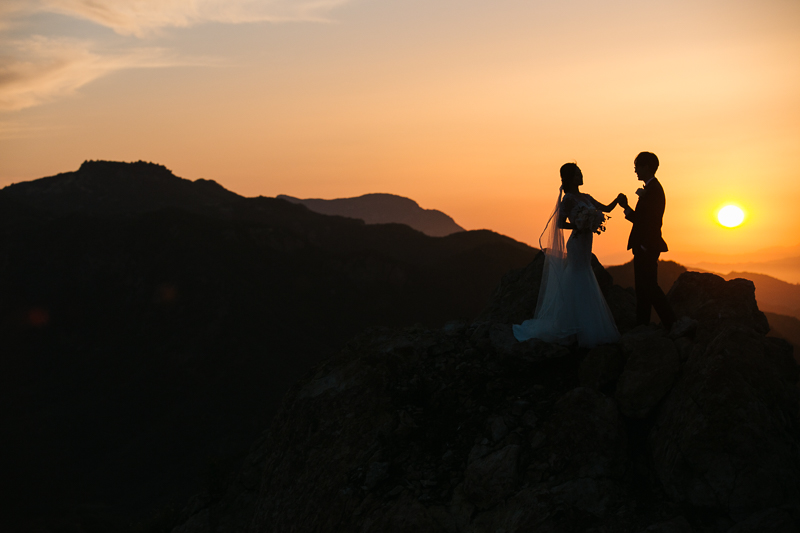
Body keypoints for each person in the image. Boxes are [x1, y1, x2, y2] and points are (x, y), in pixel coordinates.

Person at [513, 163, 622, 347]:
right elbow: (560, 224)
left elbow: (606, 209)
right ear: (572, 178)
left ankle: (582, 323)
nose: (582, 175)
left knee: (584, 272)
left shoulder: (586, 197)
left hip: (586, 243)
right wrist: (579, 225)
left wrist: (617, 200)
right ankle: (574, 326)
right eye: (579, 173)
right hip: (577, 243)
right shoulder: (568, 200)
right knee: (578, 275)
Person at [618, 152, 676, 329]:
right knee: (643, 289)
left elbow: (649, 220)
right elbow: (642, 218)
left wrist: (643, 245)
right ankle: (642, 325)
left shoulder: (654, 190)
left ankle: (671, 323)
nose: (635, 170)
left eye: (638, 166)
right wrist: (626, 207)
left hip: (647, 245)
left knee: (649, 287)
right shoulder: (651, 189)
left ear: (647, 167)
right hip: (644, 245)